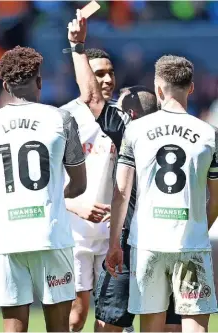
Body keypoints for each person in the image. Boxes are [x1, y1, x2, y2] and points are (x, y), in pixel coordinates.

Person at [67, 10, 182, 332]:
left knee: (110, 321)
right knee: (169, 322)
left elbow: (91, 99)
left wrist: (77, 46)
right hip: (174, 238)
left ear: (127, 113)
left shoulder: (130, 131)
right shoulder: (198, 133)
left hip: (131, 238)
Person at [0, 46, 87, 333]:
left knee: (13, 328)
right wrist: (54, 196)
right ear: (40, 81)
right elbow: (80, 184)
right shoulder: (61, 119)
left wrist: (3, 200)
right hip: (51, 235)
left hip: (9, 236)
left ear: (6, 86)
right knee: (58, 328)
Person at [106, 54, 218, 333]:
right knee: (195, 327)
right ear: (191, 88)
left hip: (147, 244)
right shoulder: (209, 134)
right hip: (190, 243)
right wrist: (199, 229)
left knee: (151, 328)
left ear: (157, 88)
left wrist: (114, 244)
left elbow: (121, 192)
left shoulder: (136, 130)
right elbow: (216, 198)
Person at [61, 46, 116, 332]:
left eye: (110, 73)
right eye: (99, 74)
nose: (106, 80)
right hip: (74, 234)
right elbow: (46, 182)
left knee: (110, 318)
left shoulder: (122, 118)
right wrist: (75, 205)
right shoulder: (64, 117)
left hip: (112, 236)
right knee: (75, 317)